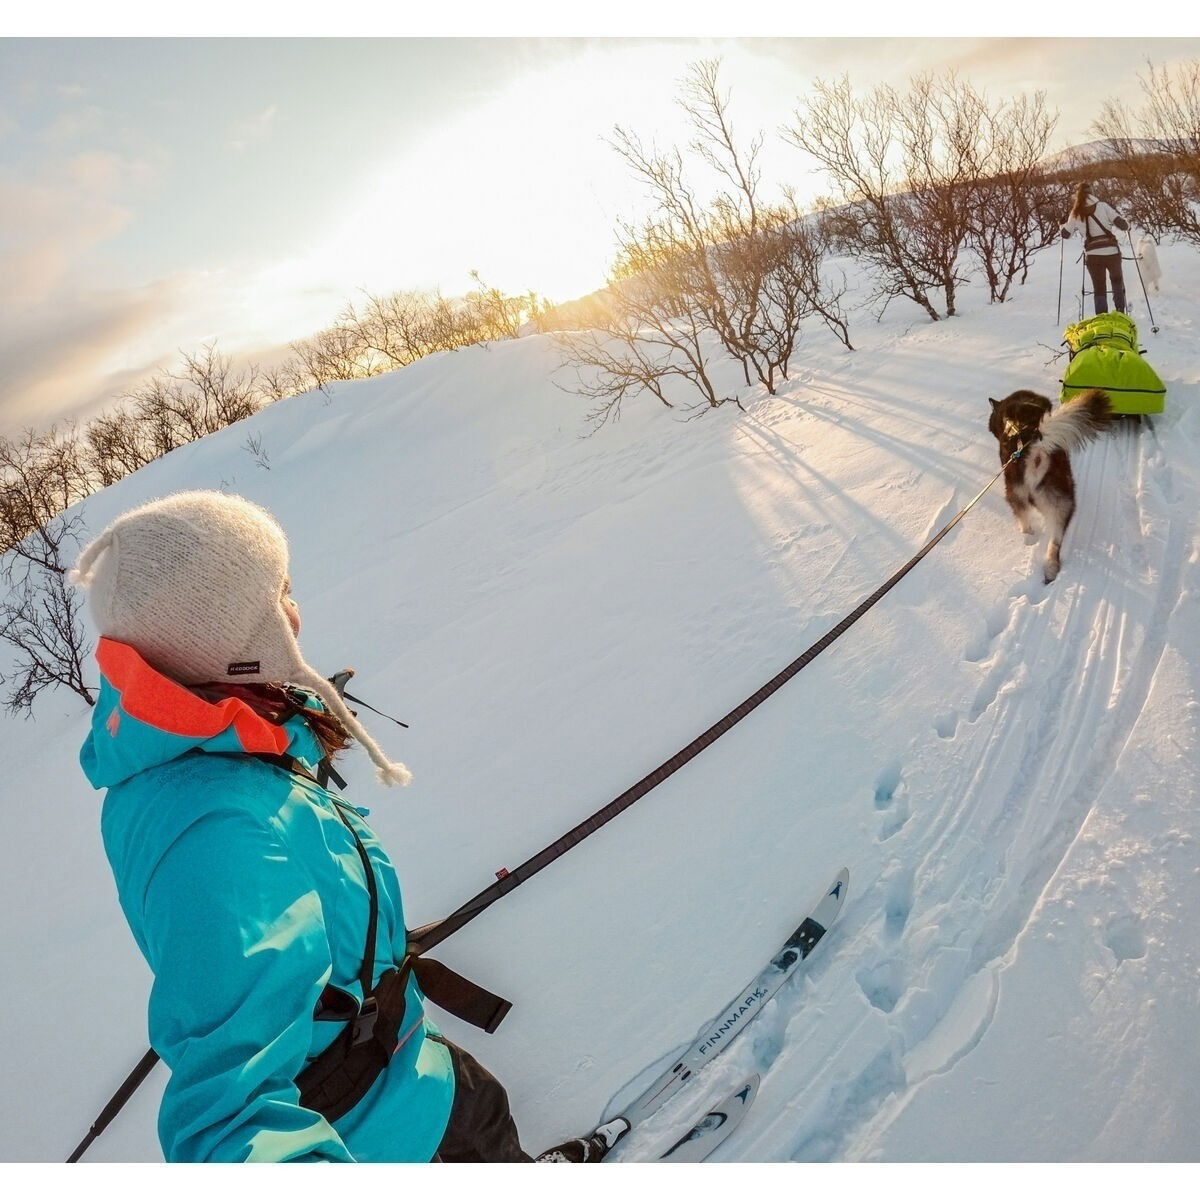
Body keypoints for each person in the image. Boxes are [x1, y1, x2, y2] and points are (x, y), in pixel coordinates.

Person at [72, 490, 531, 1162]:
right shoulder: (211, 831)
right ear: (223, 637)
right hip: (389, 1137)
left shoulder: (223, 747)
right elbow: (228, 1120)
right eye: (278, 594)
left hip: (413, 1070)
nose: (295, 611)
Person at [1060, 183, 1130, 316]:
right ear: (1092, 193)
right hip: (1112, 253)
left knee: (1099, 287)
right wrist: (1127, 225)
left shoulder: (1075, 212)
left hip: (1093, 256)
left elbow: (1066, 234)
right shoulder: (1103, 206)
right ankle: (1121, 312)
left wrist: (1062, 224)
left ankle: (1102, 316)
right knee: (1117, 282)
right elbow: (1122, 224)